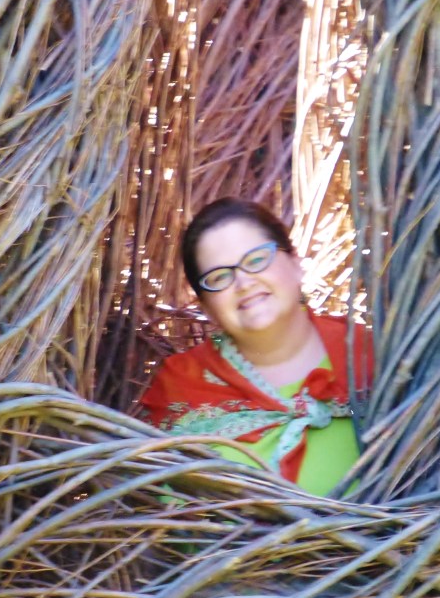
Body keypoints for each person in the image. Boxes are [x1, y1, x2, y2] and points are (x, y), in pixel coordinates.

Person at [140, 197, 374, 496]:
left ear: (295, 264)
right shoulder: (181, 388)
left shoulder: (368, 355)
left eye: (256, 260)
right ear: (206, 306)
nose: (244, 282)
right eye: (219, 277)